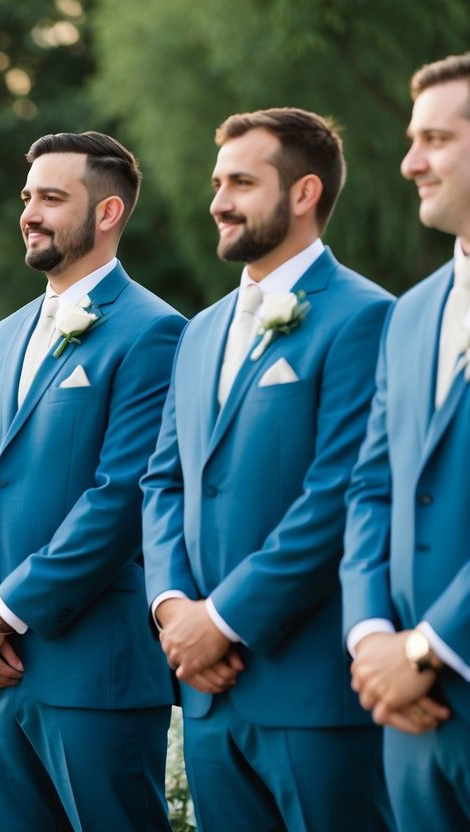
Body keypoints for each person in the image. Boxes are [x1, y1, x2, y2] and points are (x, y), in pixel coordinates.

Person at [142, 108, 395, 830]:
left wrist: (223, 620)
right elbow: (164, 481)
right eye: (217, 183)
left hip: (311, 691)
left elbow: (339, 494)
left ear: (304, 192)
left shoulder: (365, 317)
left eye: (242, 183)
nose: (218, 202)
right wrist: (172, 609)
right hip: (207, 694)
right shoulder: (199, 332)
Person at [0, 132, 183, 831]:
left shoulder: (154, 331)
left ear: (107, 212)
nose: (30, 214)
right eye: (27, 197)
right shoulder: (1, 337)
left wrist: (1, 614)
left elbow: (120, 497)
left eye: (51, 198)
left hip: (92, 667)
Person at [342, 52, 470, 829]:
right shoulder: (410, 312)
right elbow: (372, 486)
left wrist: (428, 649)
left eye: (435, 140)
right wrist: (369, 641)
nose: (409, 163)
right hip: (406, 717)